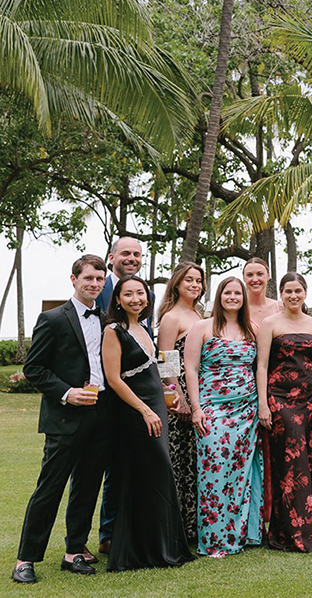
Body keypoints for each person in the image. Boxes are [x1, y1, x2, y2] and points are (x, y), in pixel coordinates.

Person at [13, 255, 111, 584]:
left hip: (100, 417)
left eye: (99, 278)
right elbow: (34, 368)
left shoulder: (107, 319)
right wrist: (68, 392)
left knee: (86, 489)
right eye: (88, 278)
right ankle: (25, 559)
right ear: (74, 279)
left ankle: (74, 552)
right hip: (65, 419)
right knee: (49, 489)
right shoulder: (52, 319)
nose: (94, 284)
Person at [100, 275, 195, 571]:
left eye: (140, 294)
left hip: (158, 407)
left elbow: (163, 363)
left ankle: (161, 545)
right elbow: (114, 379)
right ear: (117, 299)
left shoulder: (143, 327)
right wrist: (145, 410)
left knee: (156, 476)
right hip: (136, 411)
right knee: (148, 473)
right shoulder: (113, 331)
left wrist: (172, 393)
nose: (136, 299)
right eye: (128, 294)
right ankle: (138, 549)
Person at [184, 276, 264, 557]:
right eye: (227, 292)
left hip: (247, 411)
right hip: (212, 409)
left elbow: (260, 368)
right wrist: (196, 409)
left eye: (237, 293)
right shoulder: (203, 327)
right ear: (219, 296)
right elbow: (191, 369)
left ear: (243, 298)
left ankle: (240, 534)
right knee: (214, 472)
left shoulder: (252, 328)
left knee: (241, 474)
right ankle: (215, 540)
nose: (232, 297)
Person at [256, 272, 312, 552]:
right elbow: (261, 366)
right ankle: (292, 534)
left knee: (304, 463)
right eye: (288, 291)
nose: (293, 296)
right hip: (280, 400)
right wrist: (263, 403)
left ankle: (296, 531)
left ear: (305, 293)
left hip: (309, 399)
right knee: (288, 464)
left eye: (298, 291)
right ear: (281, 294)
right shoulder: (269, 324)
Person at [94, 235, 150, 552]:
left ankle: (120, 531)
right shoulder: (97, 288)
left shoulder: (146, 295)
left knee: (127, 467)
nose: (131, 258)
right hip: (103, 392)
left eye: (137, 254)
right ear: (112, 256)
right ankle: (95, 537)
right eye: (125, 253)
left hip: (137, 395)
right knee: (99, 468)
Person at [156, 261, 206, 548]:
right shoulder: (171, 317)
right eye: (189, 280)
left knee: (195, 463)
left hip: (200, 393)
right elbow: (166, 362)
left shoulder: (199, 313)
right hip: (179, 399)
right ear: (176, 283)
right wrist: (179, 398)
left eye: (198, 281)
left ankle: (194, 524)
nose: (194, 285)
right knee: (179, 462)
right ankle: (176, 528)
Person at [242, 257, 282, 329]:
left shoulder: (281, 308)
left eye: (260, 274)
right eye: (250, 275)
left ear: (268, 276)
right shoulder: (238, 309)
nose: (255, 279)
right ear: (244, 278)